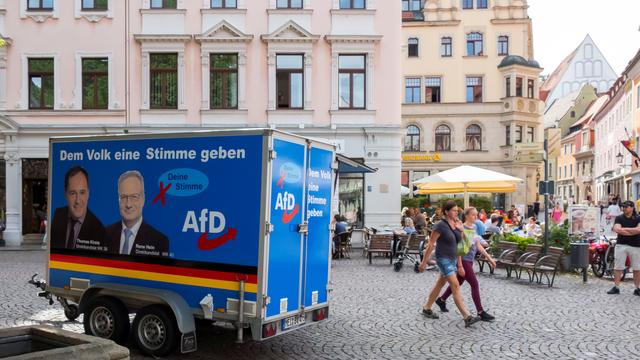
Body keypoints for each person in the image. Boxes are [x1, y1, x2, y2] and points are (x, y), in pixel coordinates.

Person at [418, 200, 480, 328]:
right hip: (443, 258)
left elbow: (463, 243)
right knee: (455, 285)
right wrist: (424, 262)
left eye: (457, 210)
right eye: (454, 210)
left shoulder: (456, 224)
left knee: (440, 284)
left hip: (452, 259)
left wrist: (461, 231)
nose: (457, 212)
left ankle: (427, 307)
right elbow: (430, 244)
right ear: (446, 212)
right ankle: (467, 316)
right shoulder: (440, 225)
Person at [435, 207, 496, 321]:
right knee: (474, 284)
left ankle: (441, 300)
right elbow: (458, 248)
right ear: (467, 216)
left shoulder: (474, 228)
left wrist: (489, 259)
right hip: (463, 260)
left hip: (469, 260)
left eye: (476, 215)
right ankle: (480, 311)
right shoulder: (461, 228)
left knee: (459, 281)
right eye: (473, 215)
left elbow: (477, 245)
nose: (476, 217)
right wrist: (460, 265)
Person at [106, 170, 169, 256]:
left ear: (143, 199)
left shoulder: (159, 241)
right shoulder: (105, 234)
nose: (128, 204)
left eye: (134, 197)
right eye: (123, 197)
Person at [50, 166, 106, 251]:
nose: (78, 201)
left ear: (88, 194)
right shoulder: (58, 214)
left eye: (82, 192)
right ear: (65, 194)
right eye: (73, 193)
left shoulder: (99, 230)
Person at [607, 200, 640, 295]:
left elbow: (639, 230)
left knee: (637, 268)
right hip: (621, 244)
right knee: (618, 267)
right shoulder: (619, 218)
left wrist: (624, 229)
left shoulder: (638, 218)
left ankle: (637, 288)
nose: (624, 208)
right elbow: (617, 229)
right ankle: (616, 287)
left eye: (626, 207)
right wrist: (632, 231)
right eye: (623, 207)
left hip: (636, 245)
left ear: (632, 208)